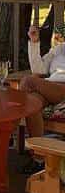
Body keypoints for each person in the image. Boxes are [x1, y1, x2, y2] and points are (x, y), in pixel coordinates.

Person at [18, 24, 65, 170]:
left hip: (62, 88)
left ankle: (8, 128)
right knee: (32, 103)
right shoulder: (58, 49)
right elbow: (39, 70)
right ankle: (38, 159)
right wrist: (34, 42)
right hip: (49, 86)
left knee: (27, 81)